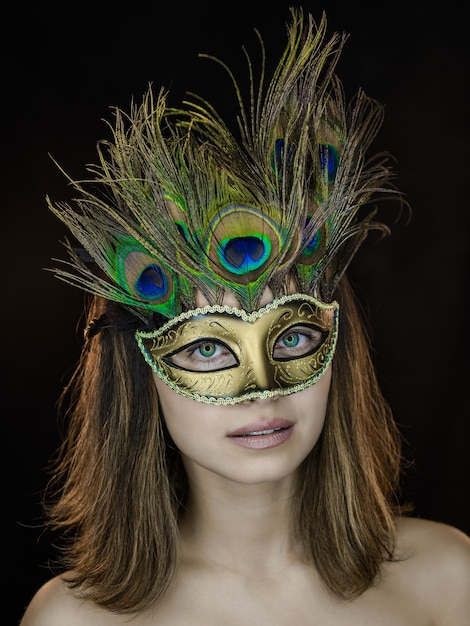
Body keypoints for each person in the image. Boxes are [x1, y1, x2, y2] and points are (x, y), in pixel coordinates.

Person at [20, 8, 470, 625]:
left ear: (335, 349)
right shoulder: (74, 620)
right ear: (142, 372)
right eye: (206, 348)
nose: (260, 390)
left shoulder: (451, 578)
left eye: (293, 337)